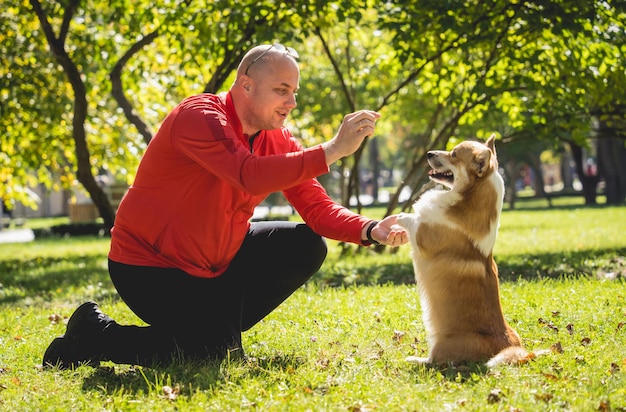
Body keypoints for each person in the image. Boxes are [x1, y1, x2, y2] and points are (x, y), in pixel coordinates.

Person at [43, 43, 408, 369]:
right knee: (210, 355)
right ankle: (95, 333)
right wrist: (331, 150)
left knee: (306, 244)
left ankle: (218, 331)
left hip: (217, 264)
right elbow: (246, 173)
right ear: (246, 85)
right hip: (150, 267)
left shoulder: (275, 138)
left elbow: (316, 207)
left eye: (293, 92)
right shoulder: (199, 117)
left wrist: (370, 228)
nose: (292, 103)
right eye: (282, 91)